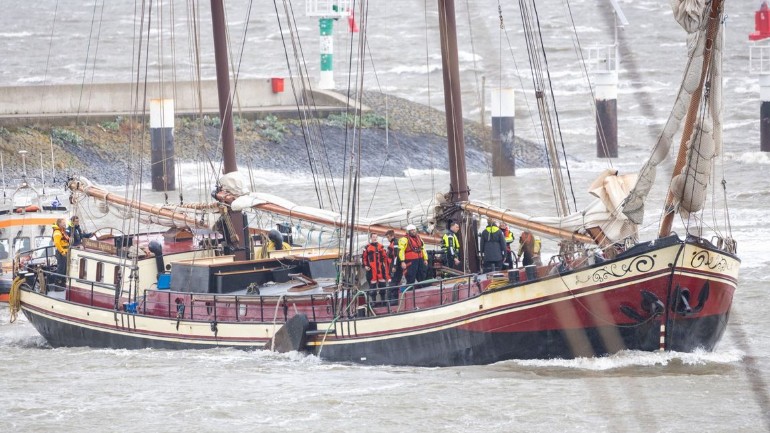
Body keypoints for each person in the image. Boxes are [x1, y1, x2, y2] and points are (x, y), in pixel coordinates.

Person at [362, 233, 390, 306]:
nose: (375, 238)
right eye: (373, 237)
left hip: (380, 269)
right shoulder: (367, 247)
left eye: (376, 237)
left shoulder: (381, 247)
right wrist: (365, 266)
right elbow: (364, 258)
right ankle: (373, 302)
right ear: (371, 238)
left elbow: (385, 257)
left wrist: (387, 267)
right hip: (371, 270)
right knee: (372, 286)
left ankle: (383, 301)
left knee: (383, 285)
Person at [52, 218, 70, 286]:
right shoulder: (57, 233)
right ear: (59, 224)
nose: (64, 224)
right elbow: (57, 243)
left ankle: (63, 281)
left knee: (65, 268)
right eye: (63, 223)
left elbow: (67, 239)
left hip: (65, 252)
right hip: (61, 253)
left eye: (64, 222)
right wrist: (62, 252)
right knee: (61, 268)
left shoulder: (63, 231)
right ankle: (58, 283)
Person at [384, 229, 401, 304]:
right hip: (392, 266)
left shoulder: (395, 243)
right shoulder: (392, 243)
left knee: (394, 282)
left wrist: (394, 266)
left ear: (392, 236)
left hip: (395, 267)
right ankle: (392, 300)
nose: (388, 239)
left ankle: (393, 300)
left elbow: (396, 255)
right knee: (393, 282)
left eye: (388, 237)